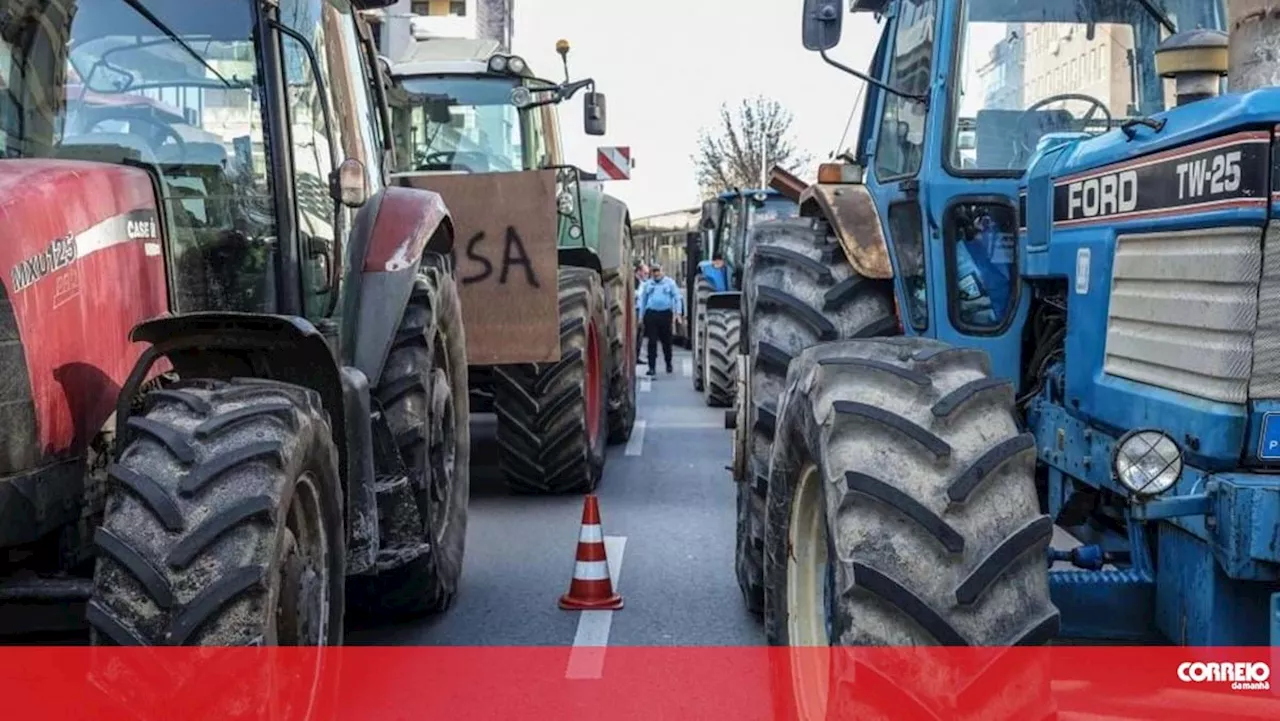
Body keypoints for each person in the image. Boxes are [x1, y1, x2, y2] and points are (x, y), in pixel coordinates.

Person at [637, 264, 684, 376]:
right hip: (651, 314)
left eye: (658, 271)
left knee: (666, 341)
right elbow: (643, 301)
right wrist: (640, 317)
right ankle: (652, 367)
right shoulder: (648, 284)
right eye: (654, 271)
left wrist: (678, 313)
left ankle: (668, 363)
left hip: (665, 314)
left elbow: (677, 298)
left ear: (662, 271)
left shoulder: (670, 283)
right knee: (652, 342)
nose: (656, 274)